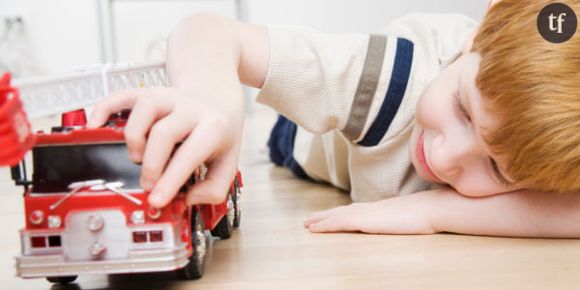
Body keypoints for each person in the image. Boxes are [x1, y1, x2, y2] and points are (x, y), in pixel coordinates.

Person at [88, 0, 580, 237]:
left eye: (496, 169)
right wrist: (211, 96)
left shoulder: (557, 149)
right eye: (463, 111)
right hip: (310, 140)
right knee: (283, 132)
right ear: (476, 35)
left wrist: (431, 212)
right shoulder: (387, 77)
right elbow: (210, 31)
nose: (447, 157)